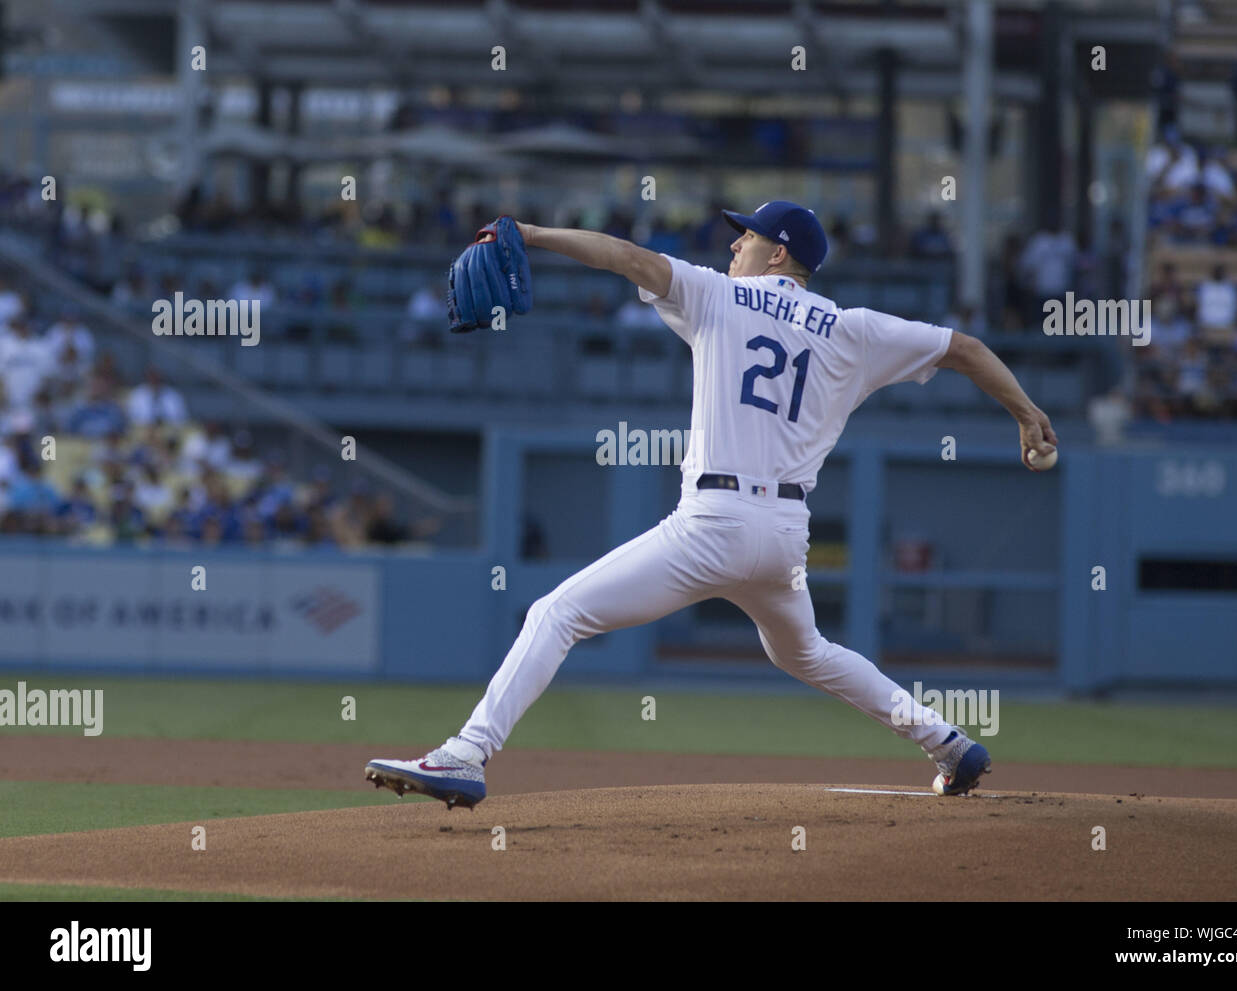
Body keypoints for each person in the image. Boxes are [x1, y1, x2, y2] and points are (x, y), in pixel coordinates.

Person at [365, 200, 1058, 809]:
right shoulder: (854, 328)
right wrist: (1027, 413)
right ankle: (947, 742)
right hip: (785, 536)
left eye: (746, 236)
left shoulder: (717, 296)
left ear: (778, 251)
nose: (733, 246)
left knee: (558, 611)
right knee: (806, 652)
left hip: (713, 523)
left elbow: (625, 256)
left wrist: (534, 232)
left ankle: (466, 753)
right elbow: (964, 347)